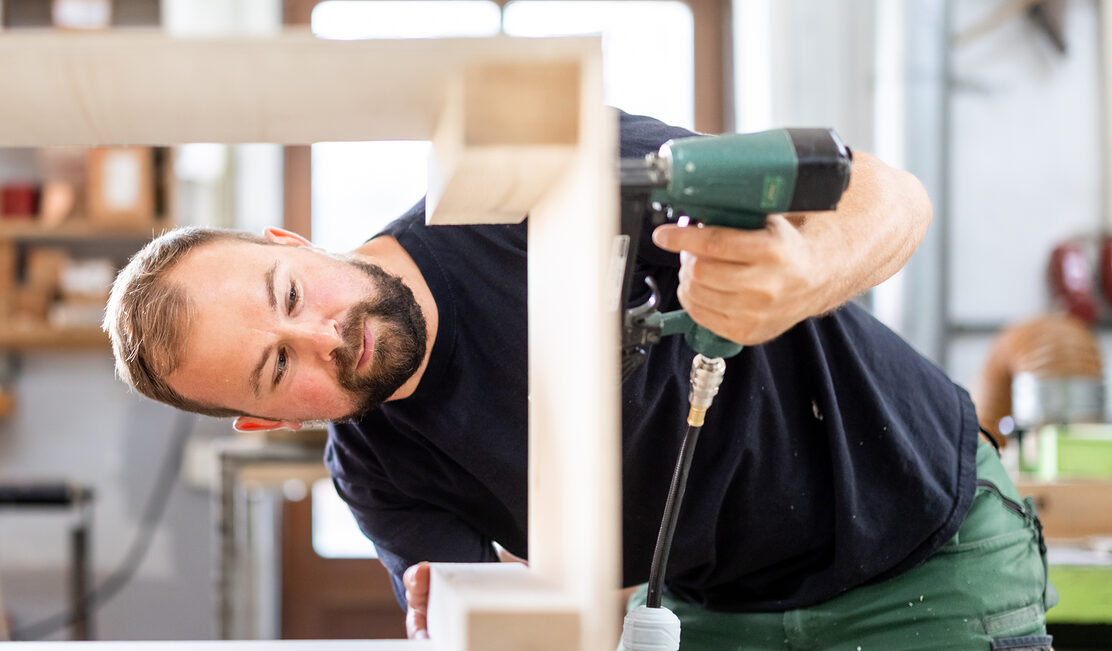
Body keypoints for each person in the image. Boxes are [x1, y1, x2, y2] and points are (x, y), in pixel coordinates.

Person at [102, 112, 1055, 650]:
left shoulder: (532, 179)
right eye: (279, 365)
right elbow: (489, 612)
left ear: (291, 240)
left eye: (290, 291)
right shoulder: (381, 471)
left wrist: (808, 270)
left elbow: (892, 195)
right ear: (264, 422)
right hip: (722, 622)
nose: (324, 332)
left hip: (926, 541)